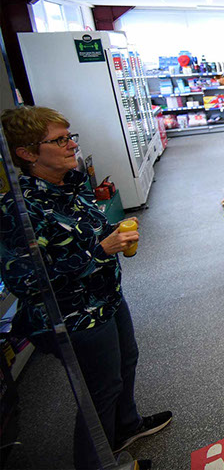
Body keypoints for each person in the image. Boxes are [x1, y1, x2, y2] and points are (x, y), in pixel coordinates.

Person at [0, 107, 172, 469]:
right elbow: (27, 281)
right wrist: (100, 249)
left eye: (69, 136)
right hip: (75, 317)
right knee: (100, 391)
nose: (69, 145)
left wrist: (112, 239)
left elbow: (82, 236)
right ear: (27, 153)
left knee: (127, 361)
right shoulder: (21, 209)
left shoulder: (69, 185)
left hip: (107, 298)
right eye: (58, 140)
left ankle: (127, 427)